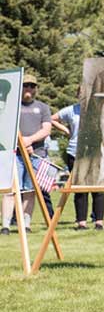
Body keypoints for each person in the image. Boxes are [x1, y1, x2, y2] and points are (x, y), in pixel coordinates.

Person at [1, 74, 52, 235]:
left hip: (36, 154)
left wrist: (28, 141)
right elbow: (6, 128)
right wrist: (20, 144)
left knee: (30, 190)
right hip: (15, 154)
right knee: (11, 190)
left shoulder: (43, 108)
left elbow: (46, 129)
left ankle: (26, 224)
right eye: (25, 85)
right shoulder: (12, 107)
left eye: (32, 85)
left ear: (36, 89)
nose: (29, 88)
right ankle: (6, 226)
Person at [54, 89, 104, 230]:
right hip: (75, 152)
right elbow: (52, 119)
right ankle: (81, 222)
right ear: (78, 95)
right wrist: (67, 131)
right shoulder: (71, 110)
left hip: (95, 152)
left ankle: (99, 222)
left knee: (98, 188)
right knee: (79, 189)